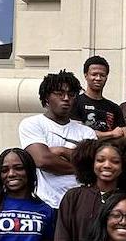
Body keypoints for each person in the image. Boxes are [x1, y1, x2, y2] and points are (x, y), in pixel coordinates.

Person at [19, 71, 97, 208]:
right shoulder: (32, 124)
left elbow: (94, 164)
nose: (66, 98)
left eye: (71, 95)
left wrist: (61, 151)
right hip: (44, 203)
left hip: (79, 205)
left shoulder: (87, 132)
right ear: (47, 97)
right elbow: (43, 160)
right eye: (59, 94)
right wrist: (81, 168)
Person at [53, 138, 126, 241]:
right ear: (91, 164)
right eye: (100, 160)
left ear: (123, 166)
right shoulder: (73, 197)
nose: (107, 165)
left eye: (115, 161)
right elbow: (61, 238)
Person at [73, 55, 126, 140]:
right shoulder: (75, 103)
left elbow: (124, 136)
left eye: (102, 75)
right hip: (84, 151)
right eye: (94, 74)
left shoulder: (114, 108)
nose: (98, 78)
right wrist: (111, 134)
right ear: (86, 75)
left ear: (106, 77)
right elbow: (78, 133)